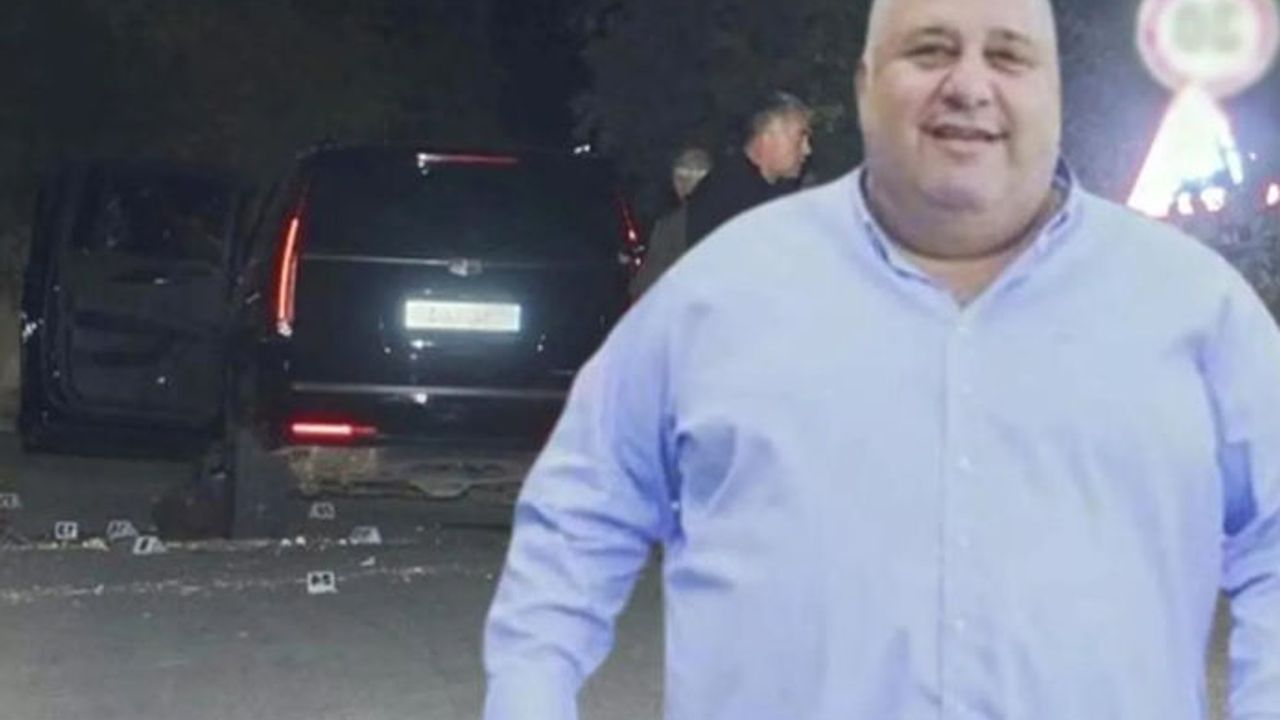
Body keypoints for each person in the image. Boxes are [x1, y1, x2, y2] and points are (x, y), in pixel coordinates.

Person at [484, 0, 1280, 717]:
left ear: (1055, 90)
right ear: (866, 87)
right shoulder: (720, 296)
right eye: (929, 51)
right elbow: (579, 516)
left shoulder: (1190, 308)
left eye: (1010, 55)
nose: (969, 86)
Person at [684, 91, 813, 245]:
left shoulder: (778, 193)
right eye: (800, 137)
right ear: (767, 136)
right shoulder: (726, 196)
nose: (807, 149)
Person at [630, 147, 714, 299]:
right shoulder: (732, 218)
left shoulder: (670, 225)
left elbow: (647, 285)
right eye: (681, 178)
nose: (683, 185)